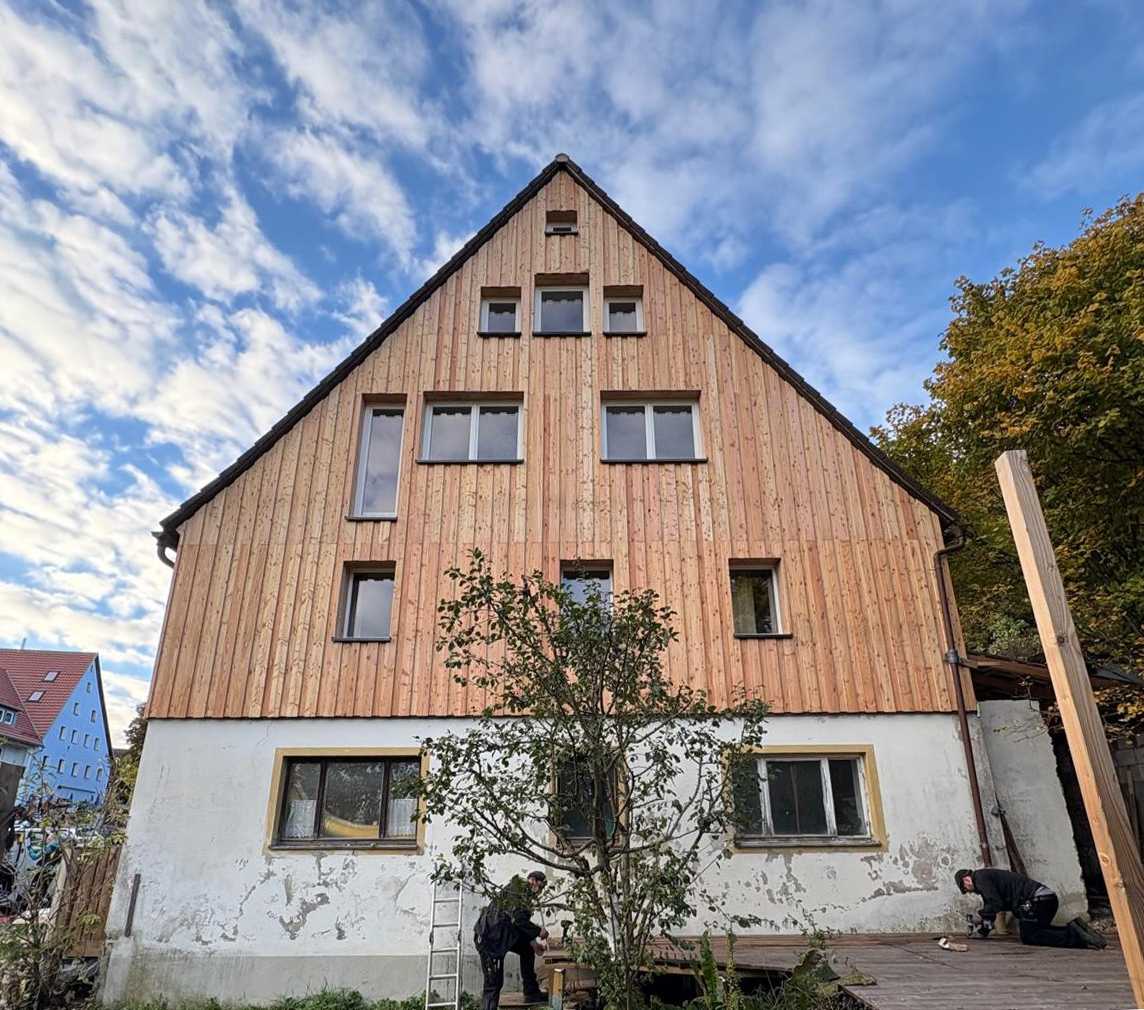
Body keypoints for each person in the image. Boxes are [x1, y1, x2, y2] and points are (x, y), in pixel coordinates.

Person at [955, 867, 1106, 949]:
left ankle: (1078, 938)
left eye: (966, 890)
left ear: (965, 880)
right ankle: (1076, 927)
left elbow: (996, 904)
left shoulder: (980, 878)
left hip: (1036, 901)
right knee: (1039, 931)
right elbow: (992, 907)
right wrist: (982, 932)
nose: (971, 892)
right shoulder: (985, 880)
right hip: (1046, 899)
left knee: (1029, 937)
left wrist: (979, 916)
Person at [474, 870, 549, 1010]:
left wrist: (533, 943)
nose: (540, 891)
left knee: (527, 949)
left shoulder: (525, 897)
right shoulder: (516, 890)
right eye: (540, 887)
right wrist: (538, 931)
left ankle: (531, 992)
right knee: (493, 983)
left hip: (504, 935)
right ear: (532, 880)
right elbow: (518, 918)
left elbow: (518, 924)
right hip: (490, 939)